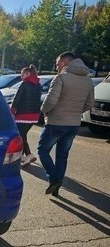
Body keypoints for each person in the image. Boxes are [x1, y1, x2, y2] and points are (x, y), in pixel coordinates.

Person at [37, 52, 94, 196]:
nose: (56, 66)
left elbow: (50, 101)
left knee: (42, 150)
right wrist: (74, 112)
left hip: (56, 122)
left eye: (57, 63)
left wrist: (43, 111)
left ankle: (54, 179)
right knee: (62, 156)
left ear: (65, 61)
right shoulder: (88, 80)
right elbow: (89, 104)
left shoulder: (61, 78)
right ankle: (57, 184)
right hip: (74, 124)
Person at [10, 64, 42, 167]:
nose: (21, 77)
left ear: (28, 74)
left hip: (23, 115)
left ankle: (28, 154)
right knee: (23, 135)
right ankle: (22, 156)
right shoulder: (38, 85)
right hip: (34, 116)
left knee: (20, 136)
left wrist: (12, 111)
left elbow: (17, 99)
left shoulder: (24, 84)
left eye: (22, 74)